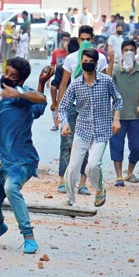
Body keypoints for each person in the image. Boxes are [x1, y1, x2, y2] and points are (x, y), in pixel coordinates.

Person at [0, 58, 48, 254]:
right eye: (7, 72)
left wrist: (18, 92)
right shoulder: (4, 93)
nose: (7, 77)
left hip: (23, 161)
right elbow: (39, 108)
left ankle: (28, 236)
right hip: (3, 161)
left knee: (11, 188)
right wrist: (42, 82)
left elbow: (41, 100)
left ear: (19, 81)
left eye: (13, 76)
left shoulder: (22, 95)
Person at [59, 48, 123, 207]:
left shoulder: (106, 81)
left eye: (90, 62)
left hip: (101, 130)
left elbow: (118, 99)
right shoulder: (75, 85)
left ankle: (99, 189)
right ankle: (70, 198)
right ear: (81, 63)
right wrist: (65, 123)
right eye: (84, 62)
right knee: (73, 167)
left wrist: (116, 119)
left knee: (93, 165)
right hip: (82, 130)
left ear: (95, 64)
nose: (87, 64)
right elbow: (63, 106)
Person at [110, 40, 139, 186]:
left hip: (134, 115)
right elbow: (108, 88)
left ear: (136, 52)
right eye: (126, 50)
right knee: (116, 146)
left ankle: (130, 172)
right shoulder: (115, 71)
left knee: (136, 146)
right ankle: (119, 176)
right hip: (117, 116)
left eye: (131, 50)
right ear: (122, 51)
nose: (129, 52)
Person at [51, 38, 80, 193]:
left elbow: (55, 87)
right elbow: (59, 86)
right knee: (68, 144)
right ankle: (68, 180)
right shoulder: (64, 67)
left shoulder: (92, 65)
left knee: (71, 146)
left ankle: (74, 181)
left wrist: (56, 107)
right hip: (70, 109)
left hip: (79, 109)